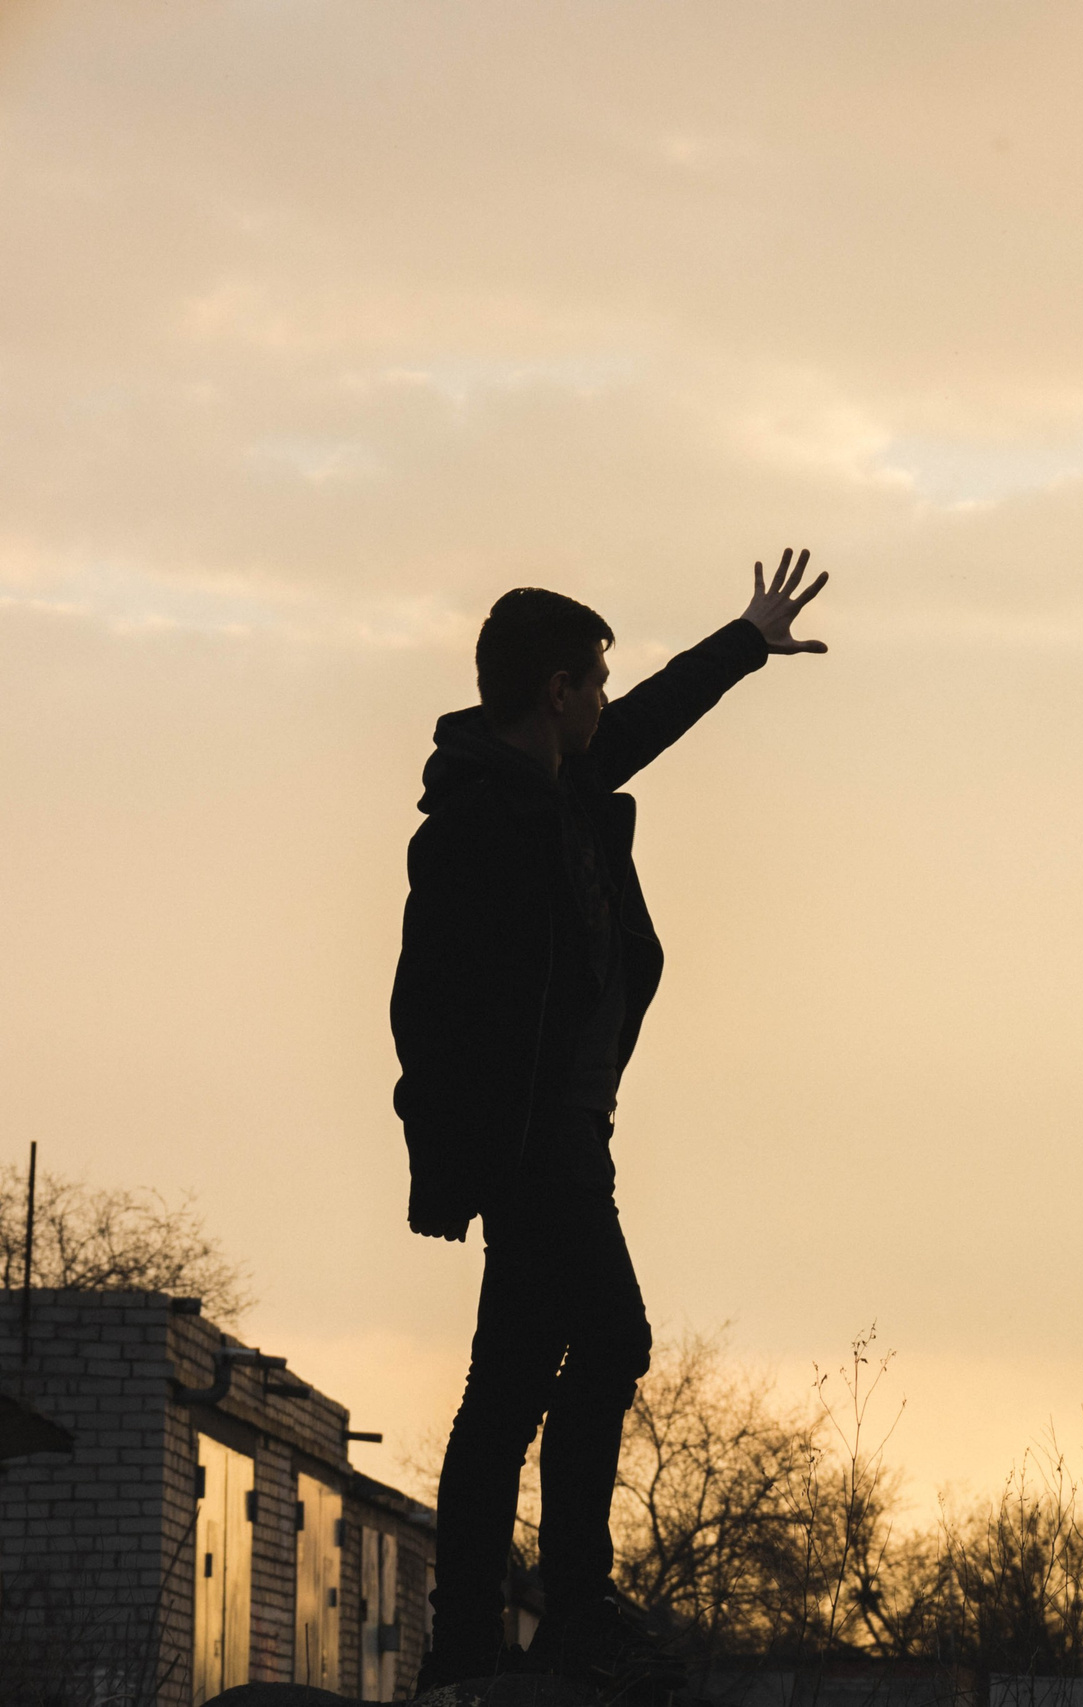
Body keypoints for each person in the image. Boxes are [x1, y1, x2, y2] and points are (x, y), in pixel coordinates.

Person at [393, 553, 829, 1690]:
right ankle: (569, 1608)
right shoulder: (476, 829)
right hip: (536, 1148)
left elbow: (649, 718)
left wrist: (745, 640)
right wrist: (453, 1161)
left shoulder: (570, 791)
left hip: (574, 1136)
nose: (601, 696)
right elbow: (423, 1014)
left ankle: (468, 1641)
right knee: (609, 1344)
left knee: (511, 1382)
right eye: (590, 678)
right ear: (551, 691)